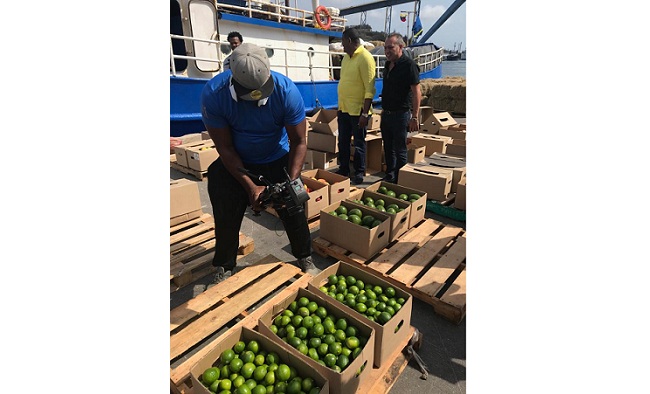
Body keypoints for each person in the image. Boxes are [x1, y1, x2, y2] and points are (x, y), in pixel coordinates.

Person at [200, 43, 319, 287]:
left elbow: (299, 141)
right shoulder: (214, 94)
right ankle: (225, 264)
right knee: (225, 210)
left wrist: (290, 181)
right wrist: (249, 186)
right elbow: (225, 149)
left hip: (276, 157)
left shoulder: (287, 92)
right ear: (234, 80)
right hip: (237, 162)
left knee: (293, 206)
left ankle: (304, 256)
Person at [336, 28, 376, 185]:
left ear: (350, 41)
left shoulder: (365, 58)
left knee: (359, 143)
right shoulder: (346, 58)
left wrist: (365, 114)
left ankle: (359, 172)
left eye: (343, 42)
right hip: (344, 108)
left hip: (359, 111)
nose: (342, 46)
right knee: (343, 141)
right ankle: (344, 168)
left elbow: (370, 88)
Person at [379, 33, 421, 183]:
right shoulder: (387, 65)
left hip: (401, 115)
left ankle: (400, 180)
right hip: (387, 114)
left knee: (400, 150)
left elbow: (417, 93)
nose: (387, 51)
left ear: (401, 47)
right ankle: (390, 176)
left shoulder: (409, 65)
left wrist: (414, 117)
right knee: (388, 148)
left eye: (390, 47)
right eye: (385, 48)